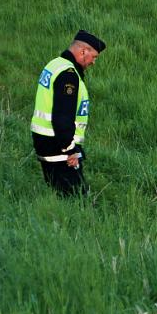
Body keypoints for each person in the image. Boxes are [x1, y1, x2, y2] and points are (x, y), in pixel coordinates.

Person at [30, 30, 106, 196]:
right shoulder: (68, 75)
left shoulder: (55, 64)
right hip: (58, 144)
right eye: (94, 57)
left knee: (59, 194)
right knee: (76, 198)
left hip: (46, 140)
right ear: (83, 51)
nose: (93, 62)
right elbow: (62, 116)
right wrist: (70, 149)